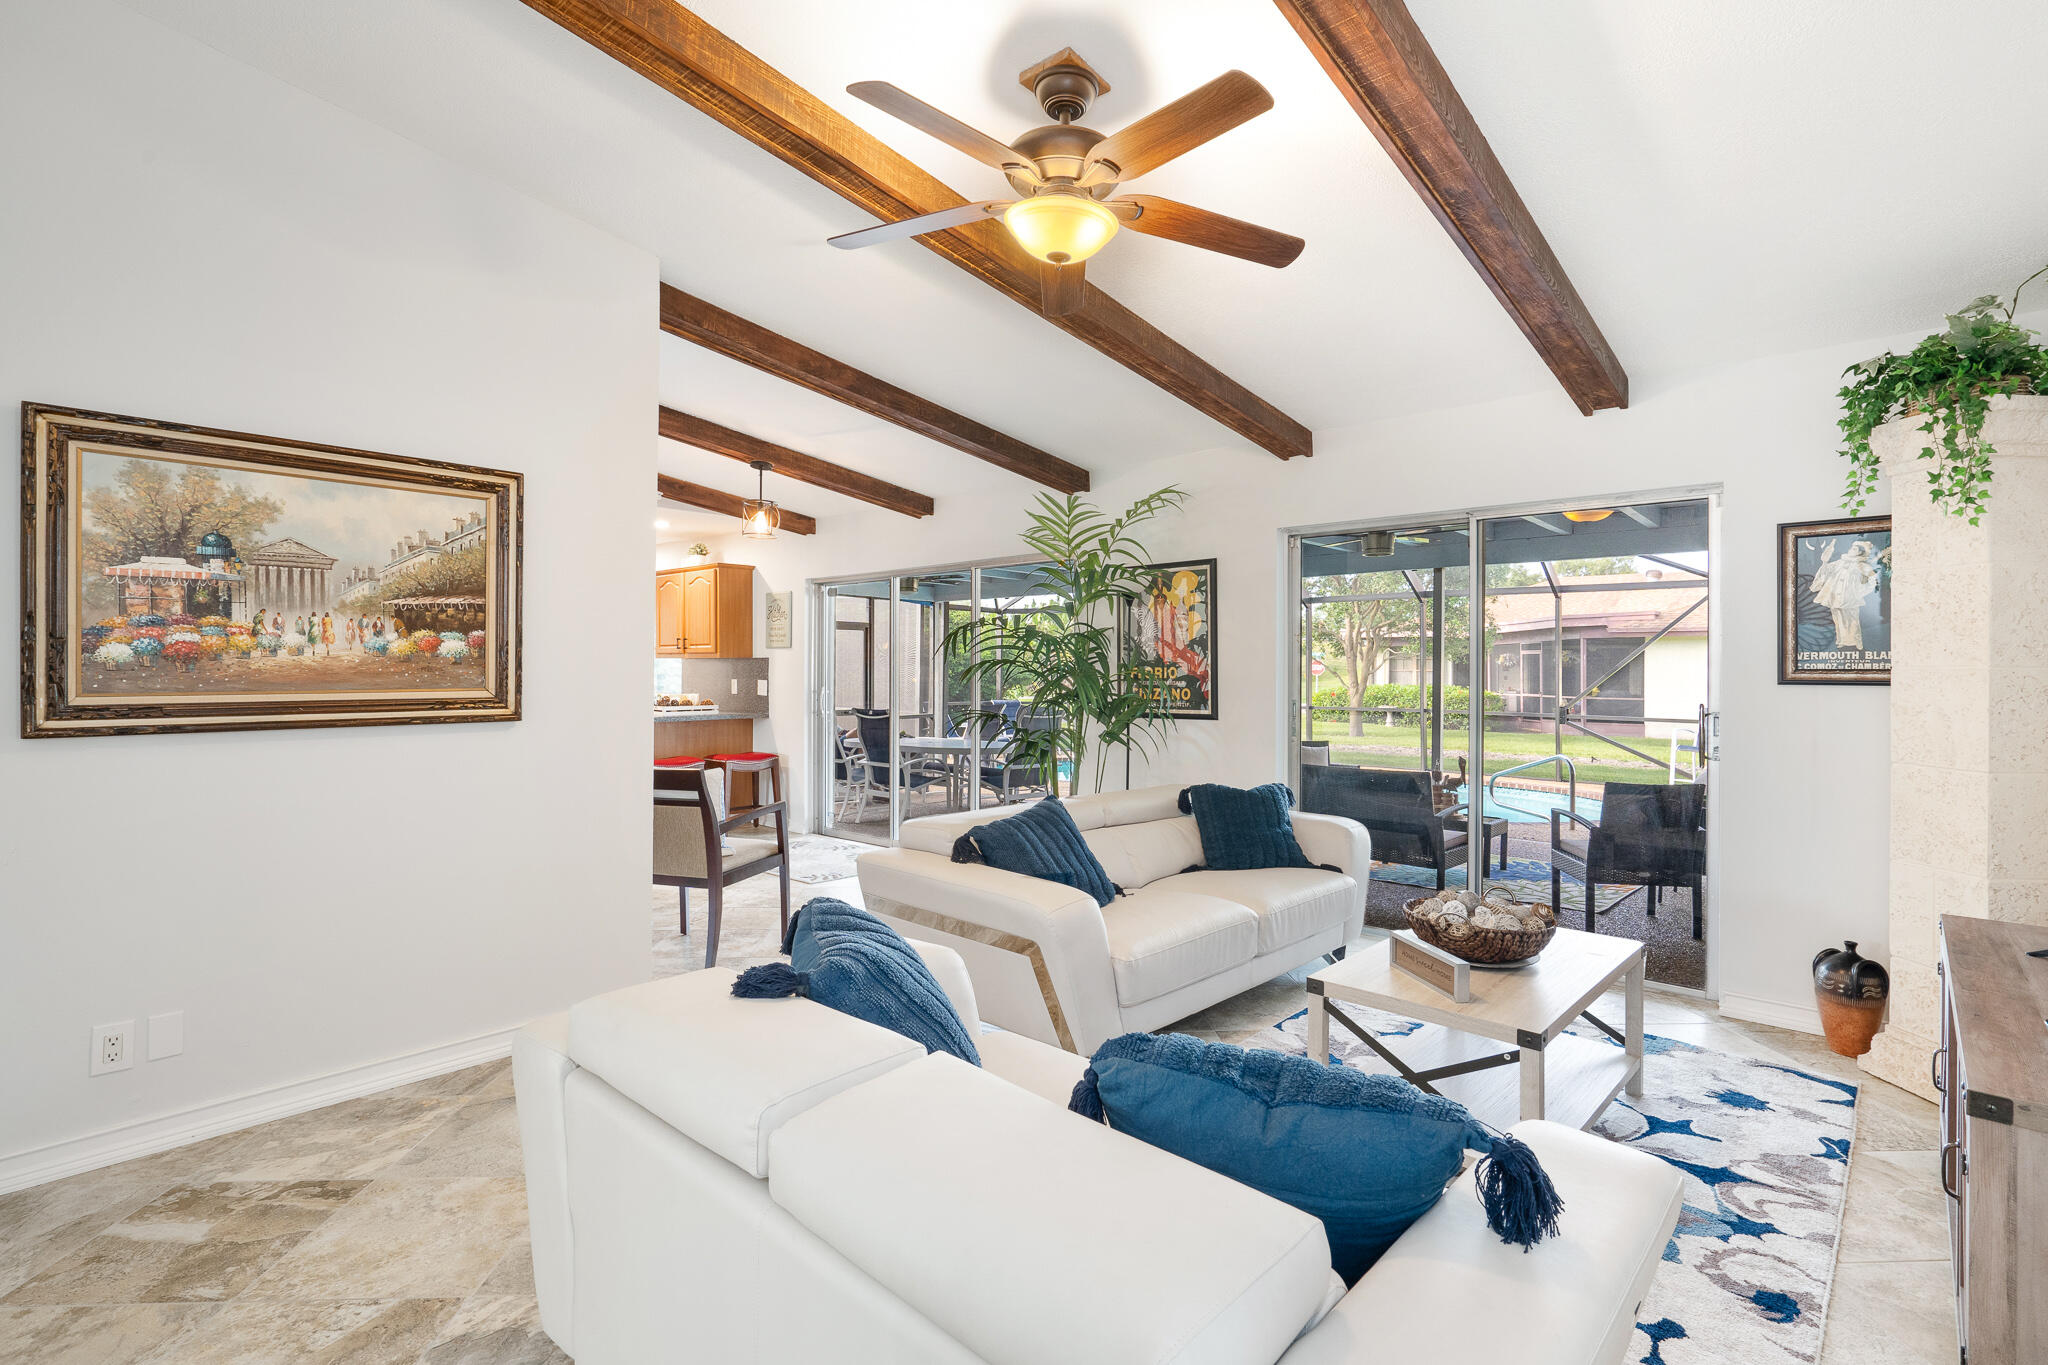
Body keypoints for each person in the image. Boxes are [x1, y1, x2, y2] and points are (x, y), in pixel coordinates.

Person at [1808, 539, 1881, 652]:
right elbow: (1827, 570)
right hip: (1835, 597)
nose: (1851, 550)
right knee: (1838, 619)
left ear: (1860, 552)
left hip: (1850, 598)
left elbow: (1872, 580)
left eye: (1855, 549)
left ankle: (1853, 643)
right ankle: (1841, 641)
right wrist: (1825, 562)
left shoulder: (1862, 565)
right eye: (1851, 548)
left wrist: (1859, 592)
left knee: (1851, 620)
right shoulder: (1840, 562)